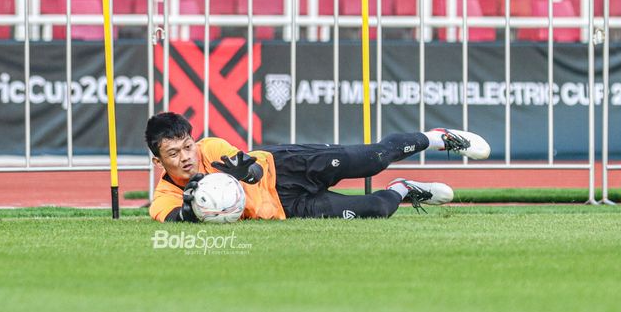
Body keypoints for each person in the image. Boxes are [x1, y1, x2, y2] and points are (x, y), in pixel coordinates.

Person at [145, 112, 491, 222]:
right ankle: (404, 189)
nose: (186, 156)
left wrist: (244, 171)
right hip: (288, 208)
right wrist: (190, 209)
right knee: (376, 209)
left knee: (373, 159)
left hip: (289, 167)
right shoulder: (163, 197)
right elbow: (173, 219)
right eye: (174, 154)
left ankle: (437, 139)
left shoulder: (211, 148)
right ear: (157, 160)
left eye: (187, 146)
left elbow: (252, 171)